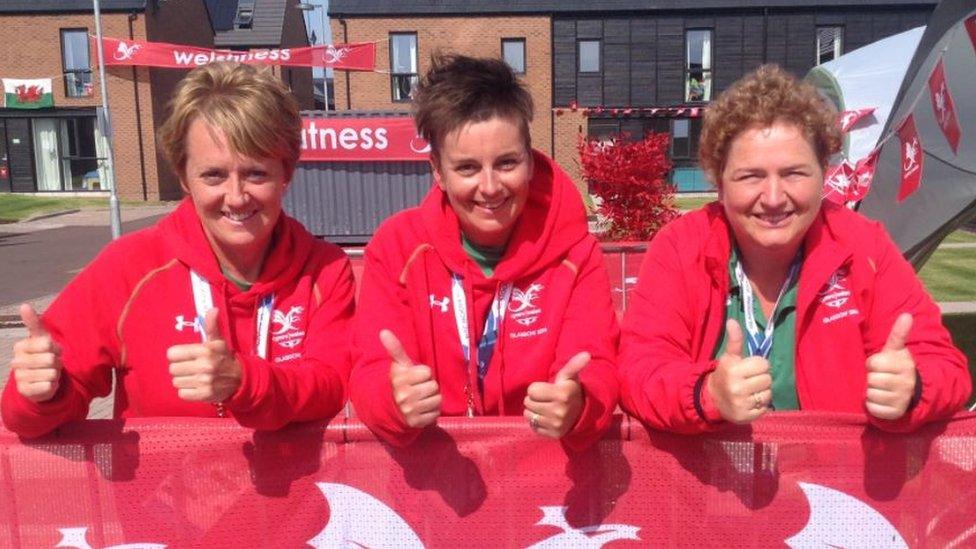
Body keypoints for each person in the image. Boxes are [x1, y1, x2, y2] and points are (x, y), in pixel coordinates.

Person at [2, 62, 355, 438]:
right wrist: (42, 393)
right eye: (214, 175)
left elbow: (332, 386)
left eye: (256, 173)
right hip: (162, 496)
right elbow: (26, 416)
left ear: (287, 173)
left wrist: (244, 381)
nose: (236, 198)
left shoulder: (326, 268)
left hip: (296, 494)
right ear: (183, 175)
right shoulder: (129, 266)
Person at [619, 64, 970, 433]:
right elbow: (637, 371)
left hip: (834, 481)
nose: (773, 198)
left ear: (823, 173)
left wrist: (912, 387)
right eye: (751, 176)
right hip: (710, 485)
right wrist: (708, 394)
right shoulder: (681, 247)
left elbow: (947, 367)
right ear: (719, 183)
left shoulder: (863, 246)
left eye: (794, 174)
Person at [349, 54, 619, 448]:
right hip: (435, 484)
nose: (490, 187)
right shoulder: (397, 247)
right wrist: (393, 402)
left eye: (507, 163)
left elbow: (597, 367)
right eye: (468, 168)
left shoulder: (576, 252)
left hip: (544, 479)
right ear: (438, 172)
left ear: (530, 161)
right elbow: (369, 371)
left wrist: (579, 405)